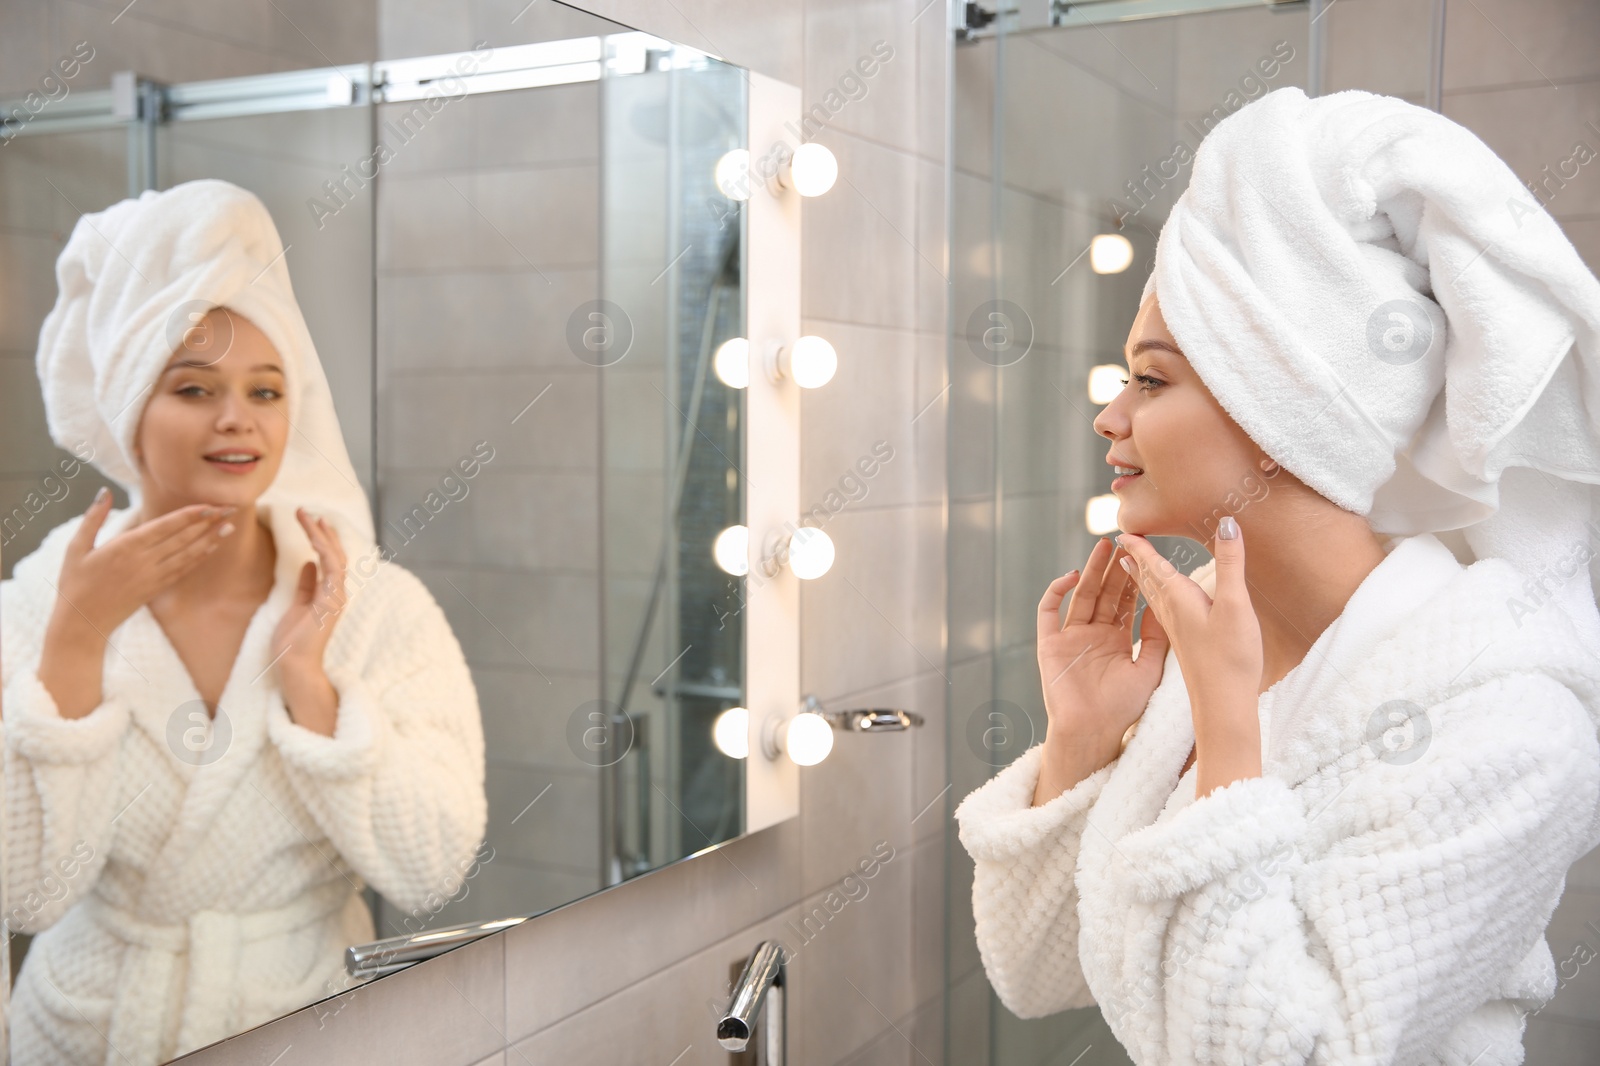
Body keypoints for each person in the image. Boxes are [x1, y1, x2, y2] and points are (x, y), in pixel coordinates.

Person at [955, 86, 1600, 1065]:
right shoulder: (1211, 661)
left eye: (1152, 377)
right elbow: (1036, 972)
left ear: (1278, 417)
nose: (1109, 417)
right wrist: (1081, 742)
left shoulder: (1507, 721)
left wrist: (1227, 748)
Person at [1, 179, 488, 1065]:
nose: (237, 419)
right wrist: (76, 645)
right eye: (194, 389)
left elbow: (432, 869)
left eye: (265, 391)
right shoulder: (36, 610)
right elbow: (25, 895)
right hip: (89, 1034)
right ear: (126, 407)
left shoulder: (371, 606)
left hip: (299, 1023)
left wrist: (313, 688)